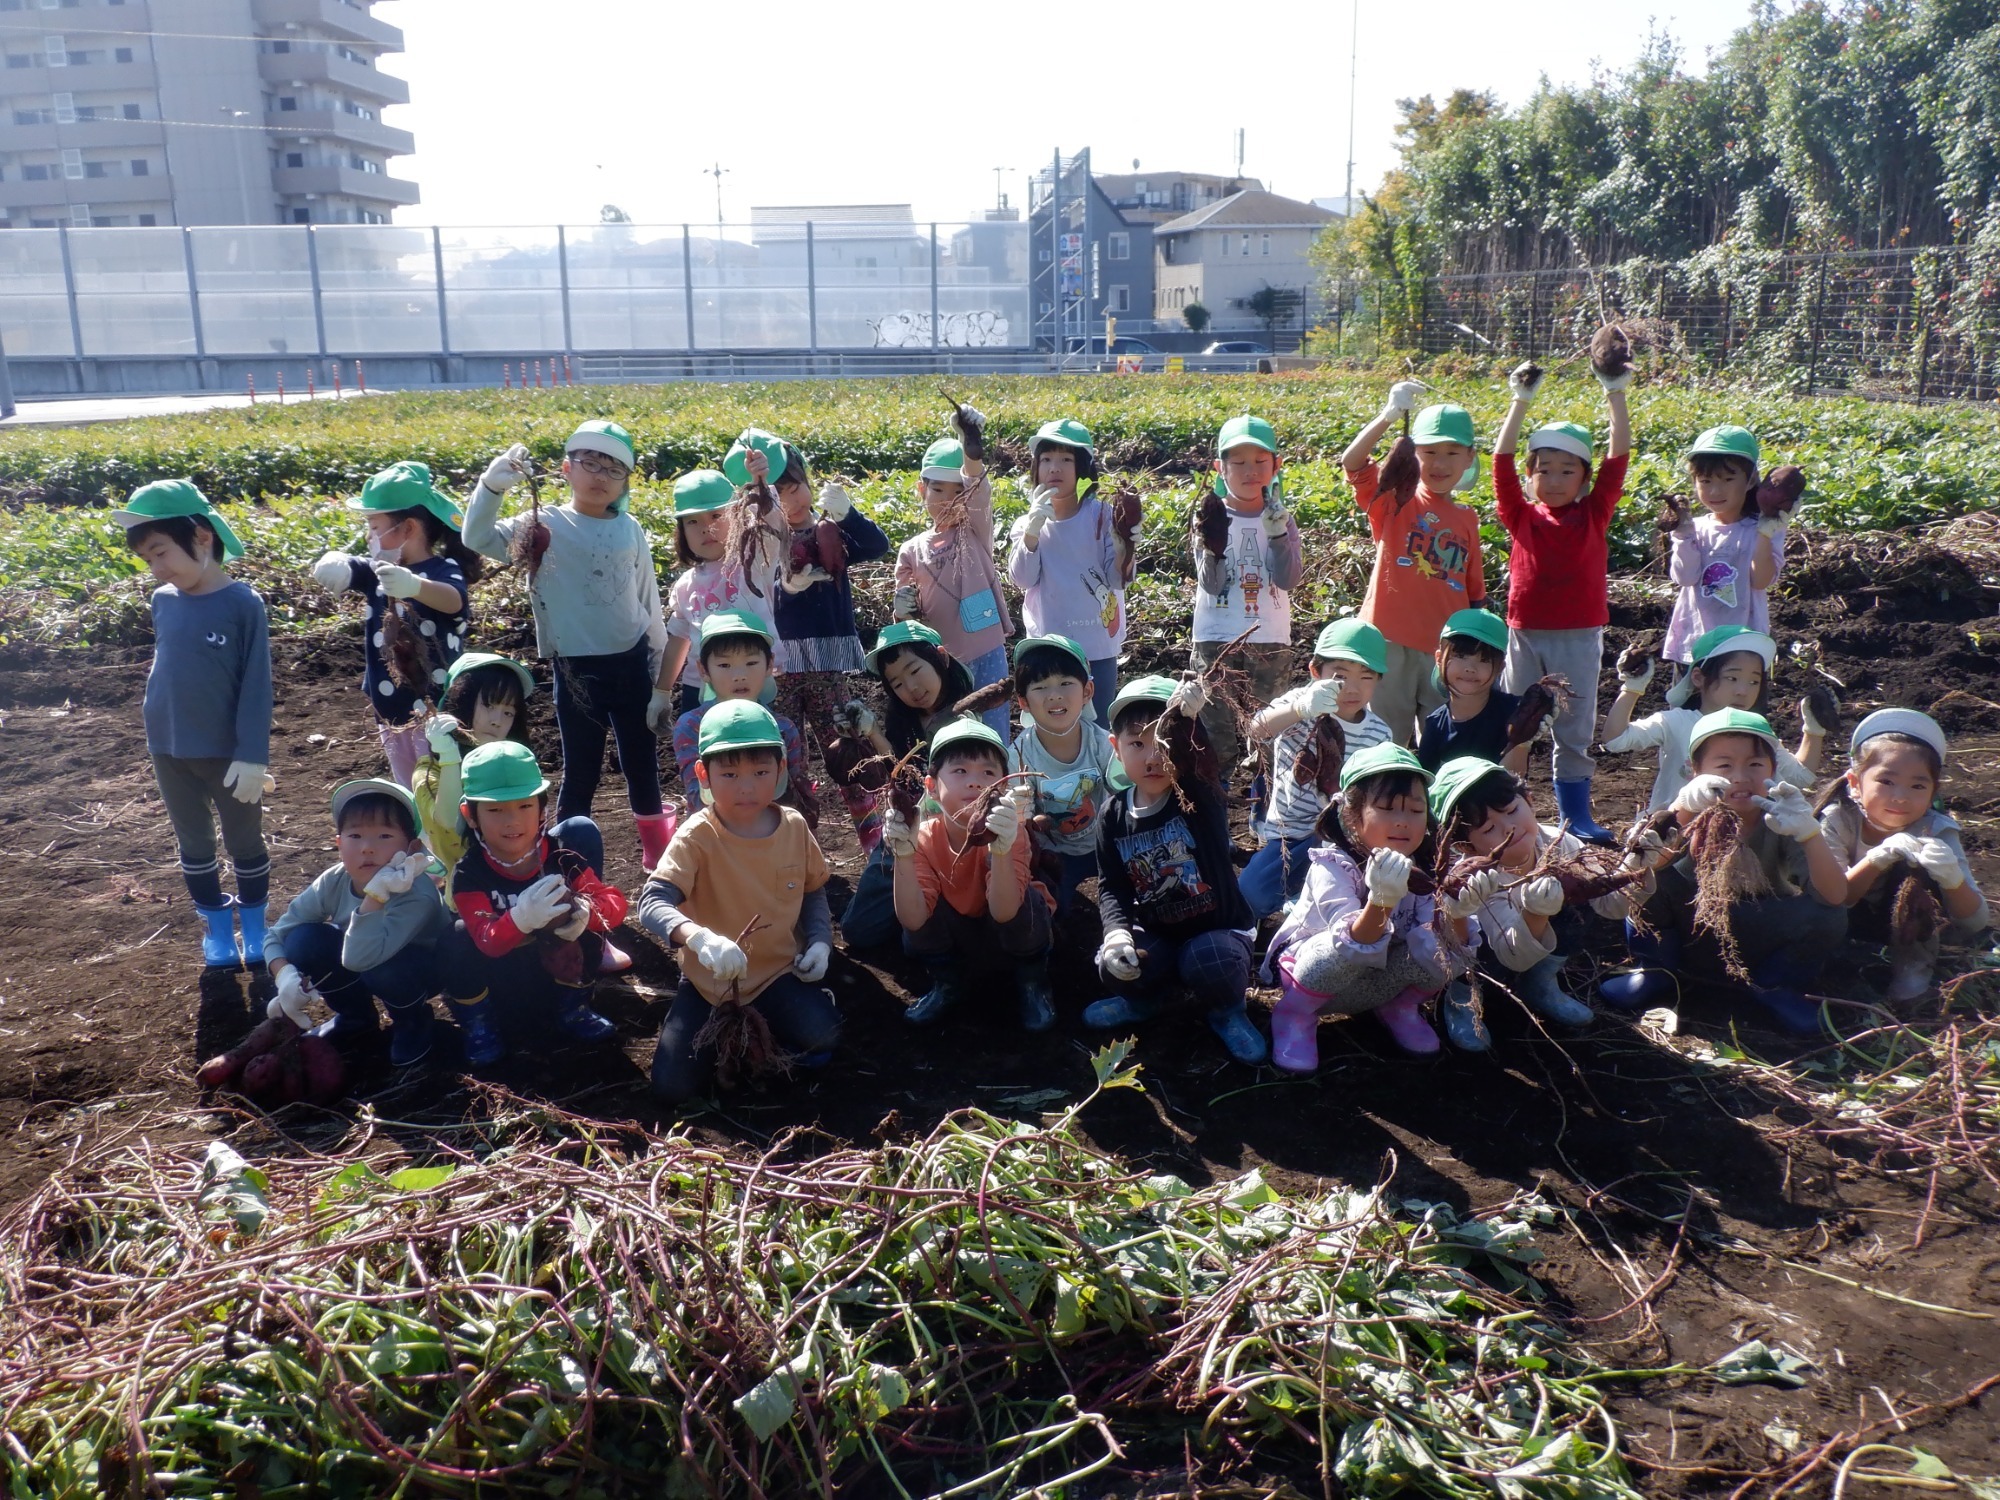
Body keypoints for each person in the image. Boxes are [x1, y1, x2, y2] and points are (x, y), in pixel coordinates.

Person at [463, 422, 676, 870]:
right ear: (566, 469)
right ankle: (567, 857)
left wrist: (661, 684)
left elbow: (647, 601)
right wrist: (491, 486)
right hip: (576, 669)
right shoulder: (542, 524)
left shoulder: (629, 528)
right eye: (590, 463)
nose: (600, 475)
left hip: (632, 662)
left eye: (614, 469)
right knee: (580, 767)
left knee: (641, 763)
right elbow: (477, 538)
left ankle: (657, 853)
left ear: (625, 481)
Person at [637, 701, 839, 1105]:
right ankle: (737, 1040)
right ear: (703, 774)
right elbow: (652, 902)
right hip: (708, 981)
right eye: (729, 774)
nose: (746, 787)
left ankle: (760, 1041)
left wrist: (820, 941)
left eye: (760, 773)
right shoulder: (697, 835)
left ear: (781, 771)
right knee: (672, 1088)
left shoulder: (794, 827)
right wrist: (700, 939)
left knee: (824, 1037)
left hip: (777, 972)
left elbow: (813, 889)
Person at [1604, 708, 1847, 1034]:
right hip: (1690, 931)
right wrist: (1684, 809)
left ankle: (1775, 987)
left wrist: (1810, 834)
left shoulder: (1783, 819)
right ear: (1696, 772)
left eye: (1755, 765)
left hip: (1757, 938)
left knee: (1828, 916)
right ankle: (1656, 971)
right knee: (1649, 876)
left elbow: (1833, 896)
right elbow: (1635, 873)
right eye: (1724, 765)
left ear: (1774, 769)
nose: (1740, 776)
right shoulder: (1681, 814)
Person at [114, 479, 273, 970]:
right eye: (149, 560)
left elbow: (256, 687)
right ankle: (217, 931)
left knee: (244, 840)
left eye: (161, 552)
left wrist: (252, 755)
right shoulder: (164, 600)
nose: (157, 569)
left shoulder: (243, 604)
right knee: (194, 843)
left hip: (228, 755)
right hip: (168, 746)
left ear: (202, 537)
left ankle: (258, 927)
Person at [1083, 675, 1269, 1065]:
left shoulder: (1199, 797)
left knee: (1210, 960)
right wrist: (1117, 935)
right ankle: (1144, 1002)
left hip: (1217, 931)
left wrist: (1188, 722)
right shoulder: (1112, 816)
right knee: (1113, 965)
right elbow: (1112, 887)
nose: (1153, 756)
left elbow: (1204, 769)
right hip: (1159, 935)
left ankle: (1226, 1011)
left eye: (1165, 744)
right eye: (1137, 743)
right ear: (1116, 748)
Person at [1487, 358, 1633, 838]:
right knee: (1516, 723)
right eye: (1544, 470)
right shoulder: (1520, 515)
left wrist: (1615, 391)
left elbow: (1618, 459)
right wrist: (1520, 400)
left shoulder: (1594, 513)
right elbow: (1500, 462)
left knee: (1572, 729)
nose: (1553, 480)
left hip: (1578, 636)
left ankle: (1576, 815)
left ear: (1584, 479)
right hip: (1525, 634)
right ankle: (1508, 807)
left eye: (1566, 470)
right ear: (1531, 477)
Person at [1263, 744, 1472, 1068]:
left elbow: (1436, 941)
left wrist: (1457, 915)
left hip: (1381, 983)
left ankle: (1399, 1008)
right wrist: (1381, 901)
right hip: (1319, 984)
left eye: (1415, 811)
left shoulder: (1425, 871)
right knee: (1334, 948)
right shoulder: (1333, 866)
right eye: (1388, 808)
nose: (1403, 822)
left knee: (1445, 943)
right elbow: (1345, 944)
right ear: (1352, 816)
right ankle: (1294, 1016)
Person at [1427, 759, 1657, 1052]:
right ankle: (1463, 1001)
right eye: (1489, 829)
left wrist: (1637, 863)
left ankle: (1540, 984)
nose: (1509, 828)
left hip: (1529, 947)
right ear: (1467, 847)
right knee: (1475, 944)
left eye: (1512, 811)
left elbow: (1612, 906)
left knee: (1579, 900)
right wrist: (1535, 912)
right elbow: (1513, 957)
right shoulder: (1476, 880)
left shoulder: (1560, 844)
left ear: (1529, 799)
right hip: (1491, 957)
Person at [435, 741, 628, 1065]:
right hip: (500, 985)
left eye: (524, 806)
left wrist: (587, 913)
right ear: (470, 815)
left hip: (554, 974)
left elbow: (614, 905)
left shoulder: (562, 855)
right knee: (455, 938)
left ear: (542, 807)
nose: (512, 821)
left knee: (590, 926)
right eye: (495, 810)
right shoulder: (470, 874)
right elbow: (487, 941)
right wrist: (521, 918)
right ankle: (480, 1025)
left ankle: (574, 1008)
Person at [309, 461, 477, 788]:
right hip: (391, 713)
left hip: (437, 713)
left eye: (374, 526)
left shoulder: (443, 570)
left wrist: (414, 587)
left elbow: (455, 601)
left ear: (408, 528)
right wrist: (335, 562)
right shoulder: (377, 571)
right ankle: (418, 839)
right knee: (409, 786)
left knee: (444, 788)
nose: (369, 536)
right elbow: (352, 567)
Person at [1339, 387, 1490, 743]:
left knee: (1443, 739)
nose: (1439, 463)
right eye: (1429, 452)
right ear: (1413, 454)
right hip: (1387, 643)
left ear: (1469, 457)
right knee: (1385, 738)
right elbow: (1353, 462)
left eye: (1452, 452)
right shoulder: (1395, 501)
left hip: (1444, 648)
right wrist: (1389, 415)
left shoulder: (1467, 517)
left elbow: (1474, 592)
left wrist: (1474, 648)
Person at [262, 779, 449, 1067]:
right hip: (365, 957)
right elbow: (278, 934)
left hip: (418, 970)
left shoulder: (417, 893)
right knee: (304, 940)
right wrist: (283, 974)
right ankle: (355, 1017)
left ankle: (412, 1020)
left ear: (411, 848)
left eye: (385, 836)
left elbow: (363, 958)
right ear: (339, 843)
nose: (367, 848)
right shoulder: (334, 880)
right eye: (355, 836)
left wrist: (375, 896)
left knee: (383, 969)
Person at [763, 434, 892, 848]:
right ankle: (794, 836)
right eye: (779, 491)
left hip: (826, 661)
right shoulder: (765, 539)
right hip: (781, 664)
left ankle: (872, 830)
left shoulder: (829, 529)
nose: (792, 497)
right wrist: (789, 586)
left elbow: (877, 546)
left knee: (845, 746)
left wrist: (849, 514)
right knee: (786, 751)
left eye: (796, 485)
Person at [888, 718, 1055, 1031]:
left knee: (1030, 902)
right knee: (918, 906)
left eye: (988, 773)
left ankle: (1033, 983)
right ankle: (948, 983)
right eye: (960, 771)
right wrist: (904, 857)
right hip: (960, 941)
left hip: (1005, 935)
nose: (976, 782)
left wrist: (1002, 852)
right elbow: (912, 920)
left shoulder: (1010, 831)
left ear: (1003, 786)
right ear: (931, 787)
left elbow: (1004, 911)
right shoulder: (921, 838)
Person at [1818, 709, 1990, 1001]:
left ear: (1934, 791)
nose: (1900, 796)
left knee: (1915, 867)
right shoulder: (1837, 820)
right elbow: (1834, 897)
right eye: (1886, 782)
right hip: (1843, 921)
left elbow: (1974, 921)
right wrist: (1877, 858)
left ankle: (1913, 966)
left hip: (1906, 930)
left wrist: (1951, 879)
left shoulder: (1937, 830)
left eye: (1918, 786)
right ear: (1855, 783)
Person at [1240, 619, 1394, 921]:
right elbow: (1255, 729)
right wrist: (1300, 710)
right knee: (1250, 896)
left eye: (1366, 677)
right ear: (1315, 672)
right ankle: (1292, 893)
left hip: (1342, 840)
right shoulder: (1299, 703)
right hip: (1289, 835)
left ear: (1378, 680)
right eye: (1339, 675)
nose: (1352, 688)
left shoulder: (1379, 733)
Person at [837, 621, 977, 949]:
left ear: (941, 657)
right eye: (897, 683)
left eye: (915, 670)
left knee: (933, 934)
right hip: (905, 835)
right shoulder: (906, 722)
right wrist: (869, 731)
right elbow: (900, 773)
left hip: (952, 838)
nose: (911, 687)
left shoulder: (968, 718)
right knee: (858, 932)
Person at [1188, 415, 1303, 768]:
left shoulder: (1282, 517)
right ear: (1220, 468)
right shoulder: (1209, 515)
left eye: (1259, 462)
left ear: (1276, 465)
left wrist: (1279, 536)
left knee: (1270, 736)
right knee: (1214, 737)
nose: (1249, 470)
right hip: (1215, 640)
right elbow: (1212, 584)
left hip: (1269, 639)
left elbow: (1287, 580)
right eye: (1238, 462)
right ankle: (1218, 805)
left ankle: (1268, 809)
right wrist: (1214, 547)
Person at [1599, 626, 1816, 813]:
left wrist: (1814, 730)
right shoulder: (1676, 723)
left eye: (1753, 681)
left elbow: (1801, 776)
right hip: (1673, 837)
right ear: (1698, 678)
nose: (1743, 691)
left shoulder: (1755, 729)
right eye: (1732, 678)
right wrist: (1632, 688)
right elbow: (1616, 740)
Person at [893, 404, 1012, 738]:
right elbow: (906, 619)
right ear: (921, 491)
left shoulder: (975, 530)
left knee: (993, 730)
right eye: (938, 490)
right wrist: (900, 611)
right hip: (940, 663)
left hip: (984, 650)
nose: (948, 499)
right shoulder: (911, 550)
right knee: (950, 736)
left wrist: (971, 448)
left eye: (958, 492)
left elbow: (979, 490)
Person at [1006, 419, 1136, 722]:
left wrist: (1126, 544)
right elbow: (1022, 578)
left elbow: (1118, 578)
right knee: (1051, 726)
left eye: (1066, 459)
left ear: (1083, 469)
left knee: (1099, 725)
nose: (1055, 468)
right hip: (1048, 646)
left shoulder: (1103, 517)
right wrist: (1032, 533)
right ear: (1036, 468)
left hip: (1097, 644)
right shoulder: (1028, 523)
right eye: (1047, 459)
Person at [657, 461, 782, 719]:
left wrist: (759, 480)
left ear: (737, 517)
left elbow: (772, 523)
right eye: (692, 521)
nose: (706, 528)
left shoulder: (755, 560)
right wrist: (662, 692)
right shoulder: (685, 586)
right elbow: (679, 640)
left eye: (716, 516)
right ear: (682, 531)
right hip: (699, 690)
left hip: (752, 682)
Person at [669, 609, 815, 829]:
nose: (739, 675)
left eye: (751, 663)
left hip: (773, 841)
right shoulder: (691, 727)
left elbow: (798, 796)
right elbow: (699, 799)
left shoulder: (784, 729)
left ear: (769, 664)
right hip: (713, 841)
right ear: (703, 670)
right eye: (724, 665)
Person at [1008, 634, 1119, 917]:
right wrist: (1033, 822)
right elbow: (1023, 820)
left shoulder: (1101, 742)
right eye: (1040, 687)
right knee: (1052, 912)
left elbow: (1124, 792)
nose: (1054, 695)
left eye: (1065, 683)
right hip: (1053, 853)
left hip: (1103, 843)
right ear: (1023, 701)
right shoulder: (1020, 754)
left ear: (1087, 691)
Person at [1663, 425, 1787, 669]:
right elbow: (1685, 577)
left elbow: (1761, 581)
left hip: (1744, 647)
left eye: (1728, 479)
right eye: (1705, 481)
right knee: (1689, 706)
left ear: (1751, 479)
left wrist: (1764, 534)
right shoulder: (1692, 528)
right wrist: (1683, 534)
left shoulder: (1763, 528)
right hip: (1695, 644)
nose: (1715, 491)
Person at [411, 652, 536, 870]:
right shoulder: (429, 772)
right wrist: (449, 757)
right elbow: (450, 821)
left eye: (508, 712)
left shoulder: (515, 766)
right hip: (470, 889)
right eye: (489, 706)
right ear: (463, 701)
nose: (497, 721)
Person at [1414, 609, 1527, 777]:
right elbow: (1427, 788)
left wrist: (1522, 741)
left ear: (1500, 669)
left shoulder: (1515, 712)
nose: (1470, 668)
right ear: (1439, 659)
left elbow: (1512, 785)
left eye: (1484, 660)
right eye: (1460, 655)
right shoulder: (1435, 726)